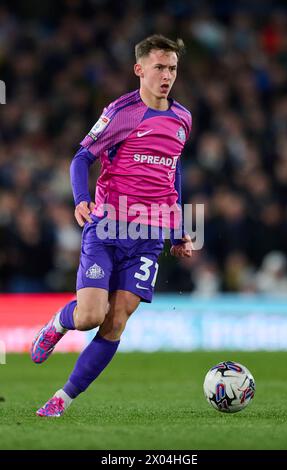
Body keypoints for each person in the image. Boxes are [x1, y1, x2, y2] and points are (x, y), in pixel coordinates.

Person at [31, 34, 193, 417]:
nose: (166, 75)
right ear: (140, 70)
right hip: (107, 227)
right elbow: (81, 158)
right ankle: (57, 323)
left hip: (149, 236)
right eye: (159, 67)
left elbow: (174, 173)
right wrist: (81, 200)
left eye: (172, 68)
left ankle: (62, 399)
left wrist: (176, 230)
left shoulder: (183, 118)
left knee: (116, 321)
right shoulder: (121, 112)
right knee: (90, 316)